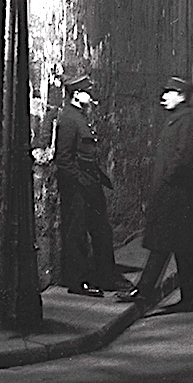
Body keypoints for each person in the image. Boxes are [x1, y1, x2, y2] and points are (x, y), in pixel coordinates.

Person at [116, 76, 193, 310]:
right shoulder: (179, 120)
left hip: (178, 197)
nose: (163, 98)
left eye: (169, 93)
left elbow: (184, 159)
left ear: (181, 96)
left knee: (163, 246)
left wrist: (167, 181)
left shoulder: (187, 122)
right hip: (179, 197)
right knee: (184, 249)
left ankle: (144, 292)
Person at [54, 67, 128, 297]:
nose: (90, 95)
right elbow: (64, 159)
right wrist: (79, 181)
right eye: (86, 91)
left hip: (90, 184)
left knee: (101, 230)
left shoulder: (79, 118)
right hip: (78, 188)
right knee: (77, 232)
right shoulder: (68, 120)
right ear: (76, 94)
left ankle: (106, 276)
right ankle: (78, 281)